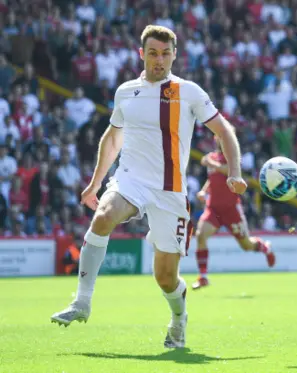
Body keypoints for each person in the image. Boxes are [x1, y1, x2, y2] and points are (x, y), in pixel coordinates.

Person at [50, 25, 247, 349]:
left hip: (170, 191)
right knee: (103, 216)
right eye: (153, 53)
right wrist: (95, 183)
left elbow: (224, 132)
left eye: (166, 54)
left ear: (174, 55)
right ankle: (82, 301)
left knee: (166, 278)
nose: (159, 60)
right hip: (131, 179)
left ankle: (178, 319)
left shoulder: (189, 92)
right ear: (142, 54)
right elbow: (113, 138)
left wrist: (234, 172)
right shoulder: (126, 91)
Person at [192, 139, 275, 290]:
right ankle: (203, 276)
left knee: (246, 245)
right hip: (214, 209)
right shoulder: (212, 157)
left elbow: (228, 171)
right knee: (200, 235)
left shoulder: (233, 158)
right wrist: (204, 191)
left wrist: (212, 164)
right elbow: (213, 179)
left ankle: (264, 247)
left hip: (231, 210)